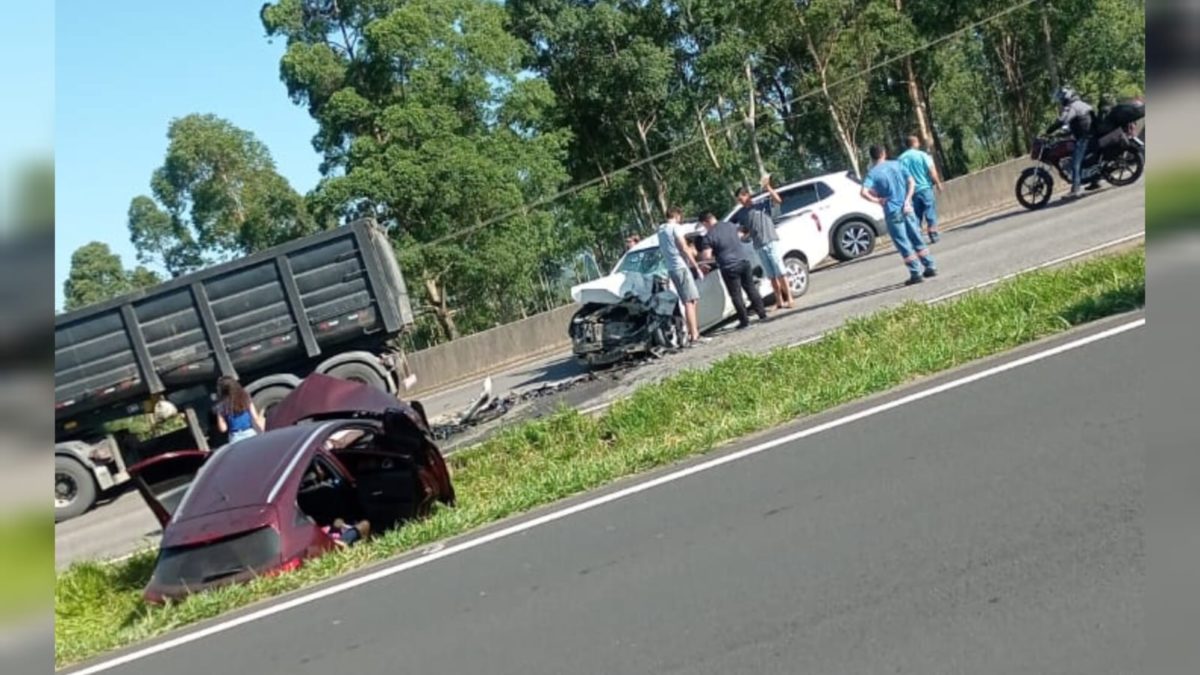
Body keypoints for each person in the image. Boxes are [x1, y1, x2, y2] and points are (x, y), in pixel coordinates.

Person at [861, 144, 938, 286]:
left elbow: (863, 192)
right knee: (916, 237)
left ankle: (916, 273)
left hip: (892, 211)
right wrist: (908, 200)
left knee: (903, 242)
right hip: (907, 208)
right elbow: (911, 181)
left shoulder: (873, 173)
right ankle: (930, 266)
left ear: (872, 157)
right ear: (884, 153)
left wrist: (878, 200)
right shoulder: (897, 164)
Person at [697, 212, 767, 329]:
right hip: (743, 260)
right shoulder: (730, 225)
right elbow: (741, 234)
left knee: (736, 295)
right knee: (751, 288)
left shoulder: (709, 236)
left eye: (703, 225)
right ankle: (762, 313)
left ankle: (744, 321)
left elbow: (707, 256)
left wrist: (703, 257)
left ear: (705, 223)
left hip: (729, 267)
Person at [732, 178, 794, 311]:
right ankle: (779, 301)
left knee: (780, 272)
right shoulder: (742, 214)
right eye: (738, 200)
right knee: (771, 275)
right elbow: (745, 230)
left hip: (770, 241)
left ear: (747, 195)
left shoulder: (761, 205)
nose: (740, 201)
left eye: (741, 198)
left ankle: (789, 298)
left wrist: (769, 188)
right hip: (758, 246)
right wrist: (741, 234)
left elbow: (778, 200)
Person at [657, 206, 708, 345]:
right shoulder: (675, 228)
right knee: (690, 301)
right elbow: (683, 247)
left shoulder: (661, 230)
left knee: (689, 300)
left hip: (672, 269)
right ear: (677, 215)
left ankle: (693, 332)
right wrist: (696, 266)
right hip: (681, 267)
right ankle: (694, 335)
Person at [1045, 86, 1096, 198]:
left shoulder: (1072, 106)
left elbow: (1063, 120)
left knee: (1075, 163)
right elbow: (1076, 123)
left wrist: (1049, 131)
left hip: (1084, 137)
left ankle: (1076, 189)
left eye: (1061, 97)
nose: (1061, 100)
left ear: (1067, 96)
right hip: (1090, 135)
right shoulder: (1081, 104)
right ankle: (1095, 181)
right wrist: (1063, 134)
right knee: (1085, 160)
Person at [897, 135, 945, 244]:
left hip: (910, 191)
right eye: (918, 142)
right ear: (915, 143)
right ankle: (933, 235)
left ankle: (917, 237)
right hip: (925, 188)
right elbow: (932, 171)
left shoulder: (900, 159)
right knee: (930, 212)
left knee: (916, 215)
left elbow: (899, 177)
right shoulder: (922, 155)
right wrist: (938, 184)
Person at [213, 376, 266, 444]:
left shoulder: (222, 406)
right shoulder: (245, 398)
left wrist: (219, 413)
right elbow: (256, 418)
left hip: (235, 438)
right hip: (250, 433)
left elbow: (223, 429)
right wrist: (264, 432)